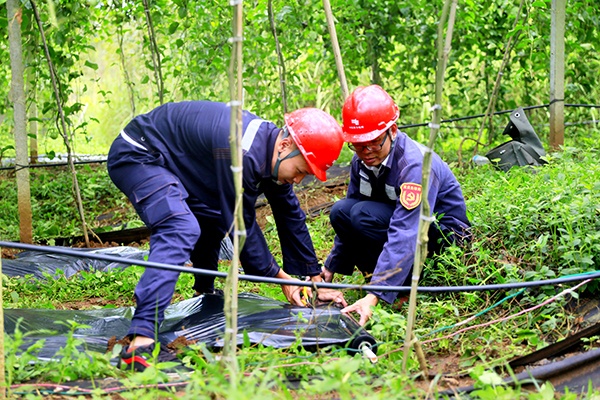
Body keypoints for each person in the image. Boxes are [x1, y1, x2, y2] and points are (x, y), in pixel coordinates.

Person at [107, 101, 348, 371]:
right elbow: (241, 228)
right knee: (181, 226)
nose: (300, 180)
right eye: (302, 170)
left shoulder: (269, 148)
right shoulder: (243, 153)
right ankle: (140, 342)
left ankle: (205, 295)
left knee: (211, 214)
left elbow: (289, 212)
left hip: (179, 162)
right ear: (285, 146)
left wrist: (313, 279)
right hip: (140, 154)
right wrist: (282, 278)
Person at [322, 85, 471, 326]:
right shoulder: (361, 161)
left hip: (440, 236)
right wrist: (331, 266)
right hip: (399, 223)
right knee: (342, 211)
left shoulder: (415, 165)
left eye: (374, 143)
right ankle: (378, 278)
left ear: (392, 130)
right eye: (359, 145)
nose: (366, 152)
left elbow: (407, 230)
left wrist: (376, 293)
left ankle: (396, 289)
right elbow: (348, 216)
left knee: (362, 215)